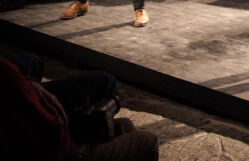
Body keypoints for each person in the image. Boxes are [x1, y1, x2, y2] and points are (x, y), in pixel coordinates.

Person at [0, 54, 158, 161]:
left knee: (124, 125)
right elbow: (52, 143)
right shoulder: (10, 83)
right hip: (59, 151)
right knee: (147, 140)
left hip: (38, 137)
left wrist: (29, 82)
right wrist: (79, 146)